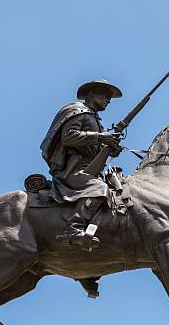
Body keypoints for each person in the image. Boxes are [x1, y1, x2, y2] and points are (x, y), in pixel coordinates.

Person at [40, 79, 123, 249]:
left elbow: (94, 148)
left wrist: (110, 148)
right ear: (91, 94)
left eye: (110, 98)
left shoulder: (95, 119)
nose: (108, 100)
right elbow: (68, 137)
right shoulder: (79, 111)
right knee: (98, 190)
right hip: (74, 171)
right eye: (105, 96)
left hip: (91, 171)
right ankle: (74, 228)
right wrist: (100, 137)